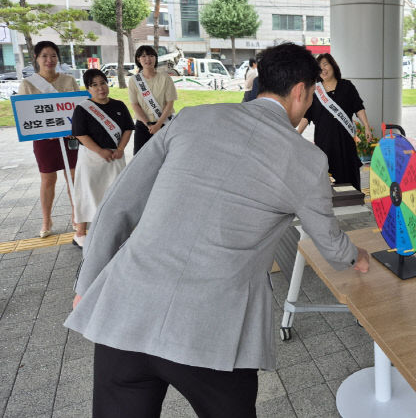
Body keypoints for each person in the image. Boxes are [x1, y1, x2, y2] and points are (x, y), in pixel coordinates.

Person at [64, 42, 370, 417]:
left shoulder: (192, 119)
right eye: (310, 98)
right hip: (214, 331)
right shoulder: (306, 159)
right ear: (299, 92)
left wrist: (87, 284)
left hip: (126, 311)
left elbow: (118, 206)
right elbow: (330, 244)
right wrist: (358, 257)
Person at [18, 41, 80, 238]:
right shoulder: (28, 84)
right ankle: (46, 219)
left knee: (74, 178)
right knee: (47, 179)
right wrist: (46, 132)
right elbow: (24, 116)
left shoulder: (69, 81)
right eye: (44, 55)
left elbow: (80, 109)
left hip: (70, 137)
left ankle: (76, 215)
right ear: (36, 59)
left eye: (53, 55)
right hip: (45, 141)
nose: (49, 60)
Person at [70, 69, 133, 248]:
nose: (100, 88)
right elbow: (80, 135)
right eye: (94, 85)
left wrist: (121, 148)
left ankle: (115, 230)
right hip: (91, 159)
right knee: (88, 193)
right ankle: (80, 233)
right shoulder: (83, 109)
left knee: (116, 193)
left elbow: (128, 128)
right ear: (88, 88)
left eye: (103, 83)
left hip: (115, 157)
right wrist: (99, 150)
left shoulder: (119, 105)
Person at [297, 53, 372, 191]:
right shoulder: (315, 91)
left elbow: (358, 107)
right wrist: (296, 134)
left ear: (333, 65)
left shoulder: (347, 86)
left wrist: (366, 126)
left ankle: (352, 199)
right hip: (324, 142)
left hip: (345, 141)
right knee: (327, 174)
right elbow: (307, 115)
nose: (323, 69)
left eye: (325, 64)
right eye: (319, 67)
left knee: (348, 170)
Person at [128, 45, 177, 154]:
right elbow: (135, 105)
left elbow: (169, 103)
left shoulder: (165, 77)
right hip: (143, 125)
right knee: (139, 158)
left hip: (164, 123)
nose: (148, 59)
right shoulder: (134, 80)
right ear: (138, 59)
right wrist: (148, 124)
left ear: (155, 58)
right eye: (144, 56)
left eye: (151, 55)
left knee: (165, 157)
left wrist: (158, 124)